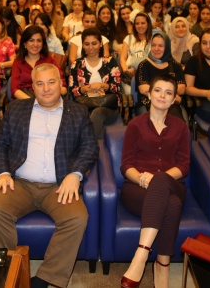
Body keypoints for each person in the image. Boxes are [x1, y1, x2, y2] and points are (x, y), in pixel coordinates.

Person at [0, 63, 98, 288]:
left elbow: (90, 147)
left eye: (51, 82)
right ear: (33, 87)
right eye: (40, 83)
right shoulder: (16, 109)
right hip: (20, 183)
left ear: (61, 84)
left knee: (76, 218)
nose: (46, 89)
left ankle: (46, 278)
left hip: (59, 185)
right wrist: (3, 172)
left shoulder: (78, 111)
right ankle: (11, 271)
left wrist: (75, 174)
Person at [120, 76, 190, 288]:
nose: (162, 95)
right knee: (172, 204)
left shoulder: (181, 127)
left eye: (168, 92)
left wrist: (159, 178)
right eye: (158, 90)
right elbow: (126, 165)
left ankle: (141, 254)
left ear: (174, 99)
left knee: (161, 180)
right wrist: (142, 179)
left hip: (173, 184)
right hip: (137, 188)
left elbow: (184, 165)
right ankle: (162, 264)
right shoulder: (135, 125)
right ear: (148, 95)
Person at [69, 28, 122, 139]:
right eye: (87, 44)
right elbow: (72, 91)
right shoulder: (77, 64)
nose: (91, 47)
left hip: (107, 107)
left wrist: (104, 86)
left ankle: (88, 144)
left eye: (94, 43)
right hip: (85, 105)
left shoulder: (110, 62)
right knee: (86, 116)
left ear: (101, 44)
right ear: (82, 45)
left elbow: (117, 88)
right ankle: (95, 144)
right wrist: (84, 89)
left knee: (97, 113)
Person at [136, 32, 186, 120]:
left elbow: (182, 89)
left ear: (167, 47)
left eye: (160, 46)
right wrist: (169, 95)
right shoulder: (144, 65)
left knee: (175, 119)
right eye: (153, 45)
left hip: (172, 104)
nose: (156, 49)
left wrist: (165, 96)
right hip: (148, 102)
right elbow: (143, 89)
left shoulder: (175, 65)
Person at [10, 26, 66, 100]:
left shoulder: (50, 61)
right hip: (25, 100)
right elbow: (15, 90)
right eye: (31, 40)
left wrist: (50, 99)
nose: (35, 44)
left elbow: (63, 87)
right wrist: (34, 102)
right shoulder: (18, 62)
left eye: (39, 41)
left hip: (49, 99)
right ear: (24, 43)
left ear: (43, 43)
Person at [120, 13, 153, 95]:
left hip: (149, 74)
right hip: (131, 75)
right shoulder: (128, 38)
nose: (140, 26)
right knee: (129, 92)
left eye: (143, 23)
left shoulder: (154, 39)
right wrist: (126, 70)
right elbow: (122, 58)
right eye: (137, 23)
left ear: (148, 24)